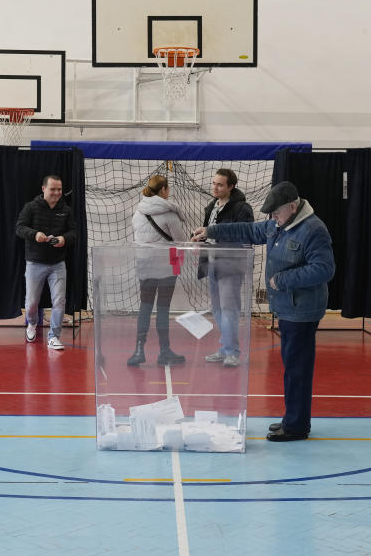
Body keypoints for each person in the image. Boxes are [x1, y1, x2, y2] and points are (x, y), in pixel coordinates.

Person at [192, 181, 335, 442]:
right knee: (293, 367)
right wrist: (211, 230)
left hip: (301, 312)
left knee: (297, 369)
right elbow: (247, 229)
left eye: (276, 213)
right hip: (287, 309)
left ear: (293, 207)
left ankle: (296, 427)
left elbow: (325, 269)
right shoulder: (277, 225)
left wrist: (282, 280)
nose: (272, 218)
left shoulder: (313, 230)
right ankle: (293, 420)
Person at [127, 175, 186, 367]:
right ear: (163, 191)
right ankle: (164, 351)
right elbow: (180, 242)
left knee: (144, 308)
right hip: (167, 267)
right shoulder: (170, 214)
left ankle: (138, 350)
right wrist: (180, 266)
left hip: (144, 266)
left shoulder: (138, 213)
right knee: (162, 309)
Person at [198, 168, 254, 368]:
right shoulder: (211, 207)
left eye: (220, 184)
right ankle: (224, 348)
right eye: (214, 183)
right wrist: (201, 238)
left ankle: (232, 352)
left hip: (230, 264)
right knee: (218, 310)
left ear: (231, 187)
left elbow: (246, 234)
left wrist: (217, 234)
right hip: (212, 263)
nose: (215, 187)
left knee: (229, 309)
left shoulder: (242, 208)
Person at [15, 175, 75, 350]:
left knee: (59, 301)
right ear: (44, 189)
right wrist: (35, 234)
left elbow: (74, 232)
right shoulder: (31, 207)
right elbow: (19, 227)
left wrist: (64, 239)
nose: (57, 193)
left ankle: (54, 336)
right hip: (35, 263)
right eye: (53, 189)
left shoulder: (67, 210)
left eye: (59, 189)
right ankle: (32, 323)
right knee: (32, 301)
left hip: (58, 264)